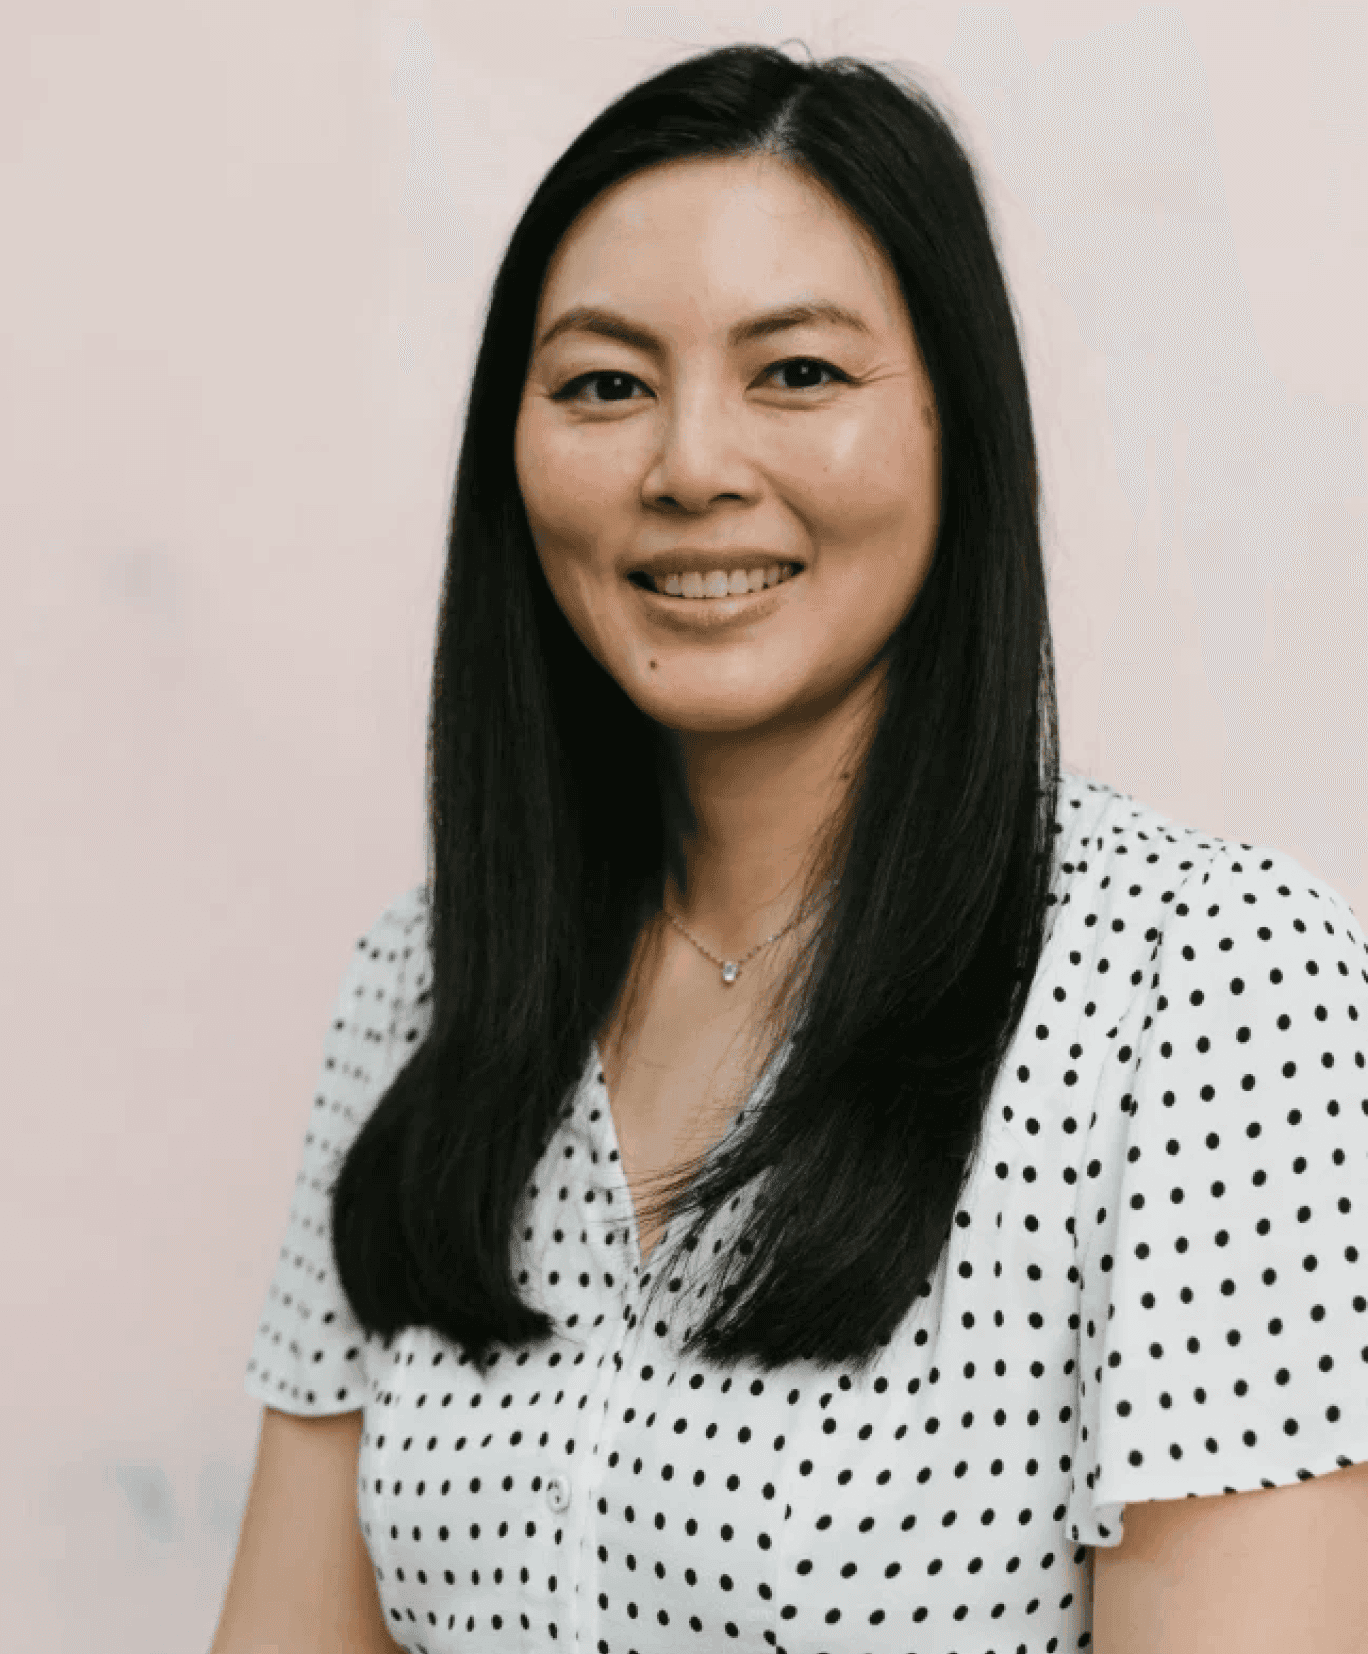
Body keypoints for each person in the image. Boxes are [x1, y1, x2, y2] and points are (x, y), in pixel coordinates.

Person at [209, 41, 1368, 1654]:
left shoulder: (1209, 983)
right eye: (604, 382)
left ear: (961, 427)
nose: (689, 465)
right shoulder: (423, 979)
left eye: (799, 373)